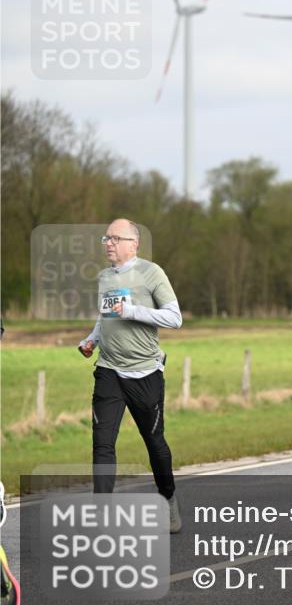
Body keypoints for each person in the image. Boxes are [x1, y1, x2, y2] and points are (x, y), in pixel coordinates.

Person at [77, 219, 183, 533]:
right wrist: (92, 339)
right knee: (103, 444)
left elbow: (174, 317)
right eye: (105, 238)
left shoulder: (152, 273)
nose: (107, 243)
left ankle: (168, 500)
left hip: (146, 373)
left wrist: (133, 310)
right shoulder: (105, 277)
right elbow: (106, 315)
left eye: (114, 238)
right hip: (109, 370)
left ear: (132, 243)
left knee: (154, 442)